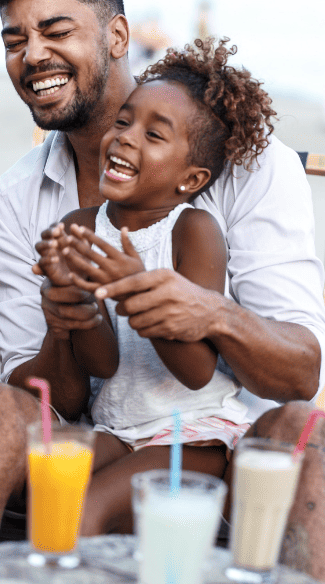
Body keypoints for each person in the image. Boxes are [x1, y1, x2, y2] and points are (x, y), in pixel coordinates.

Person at [0, 0, 325, 584]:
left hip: (221, 443)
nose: (32, 55)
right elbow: (47, 399)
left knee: (308, 430)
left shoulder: (247, 167)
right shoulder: (20, 200)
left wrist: (203, 311)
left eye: (56, 31)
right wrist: (68, 316)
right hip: (106, 436)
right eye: (15, 41)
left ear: (118, 36)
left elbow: (298, 371)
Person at [33, 38, 273, 530]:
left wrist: (134, 287)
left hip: (192, 432)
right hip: (117, 425)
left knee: (81, 515)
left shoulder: (193, 232)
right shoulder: (82, 225)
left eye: (154, 135)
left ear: (190, 179)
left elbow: (196, 370)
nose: (125, 137)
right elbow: (102, 361)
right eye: (124, 121)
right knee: (43, 492)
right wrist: (73, 300)